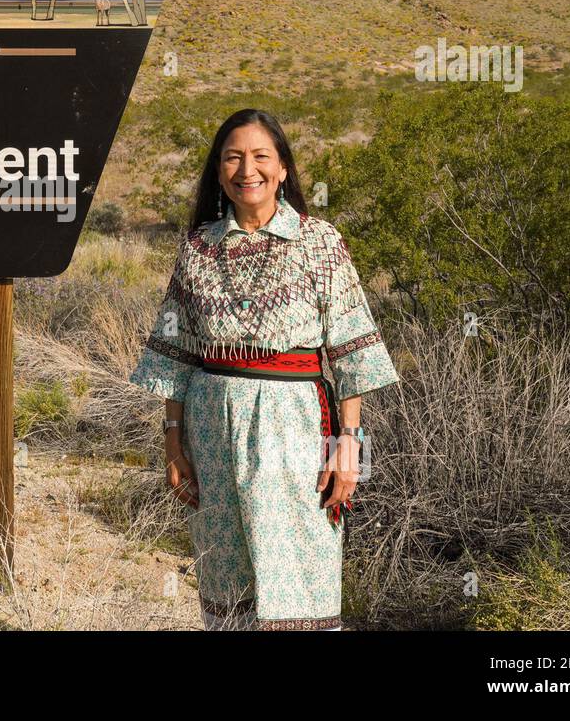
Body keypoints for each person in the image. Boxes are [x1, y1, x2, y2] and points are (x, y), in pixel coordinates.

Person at [129, 108, 400, 630]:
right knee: (227, 579)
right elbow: (175, 354)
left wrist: (349, 447)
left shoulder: (320, 243)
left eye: (260, 157)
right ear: (218, 171)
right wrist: (173, 443)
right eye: (233, 158)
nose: (246, 169)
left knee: (298, 569)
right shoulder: (197, 249)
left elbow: (352, 352)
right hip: (211, 431)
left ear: (282, 169)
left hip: (296, 428)